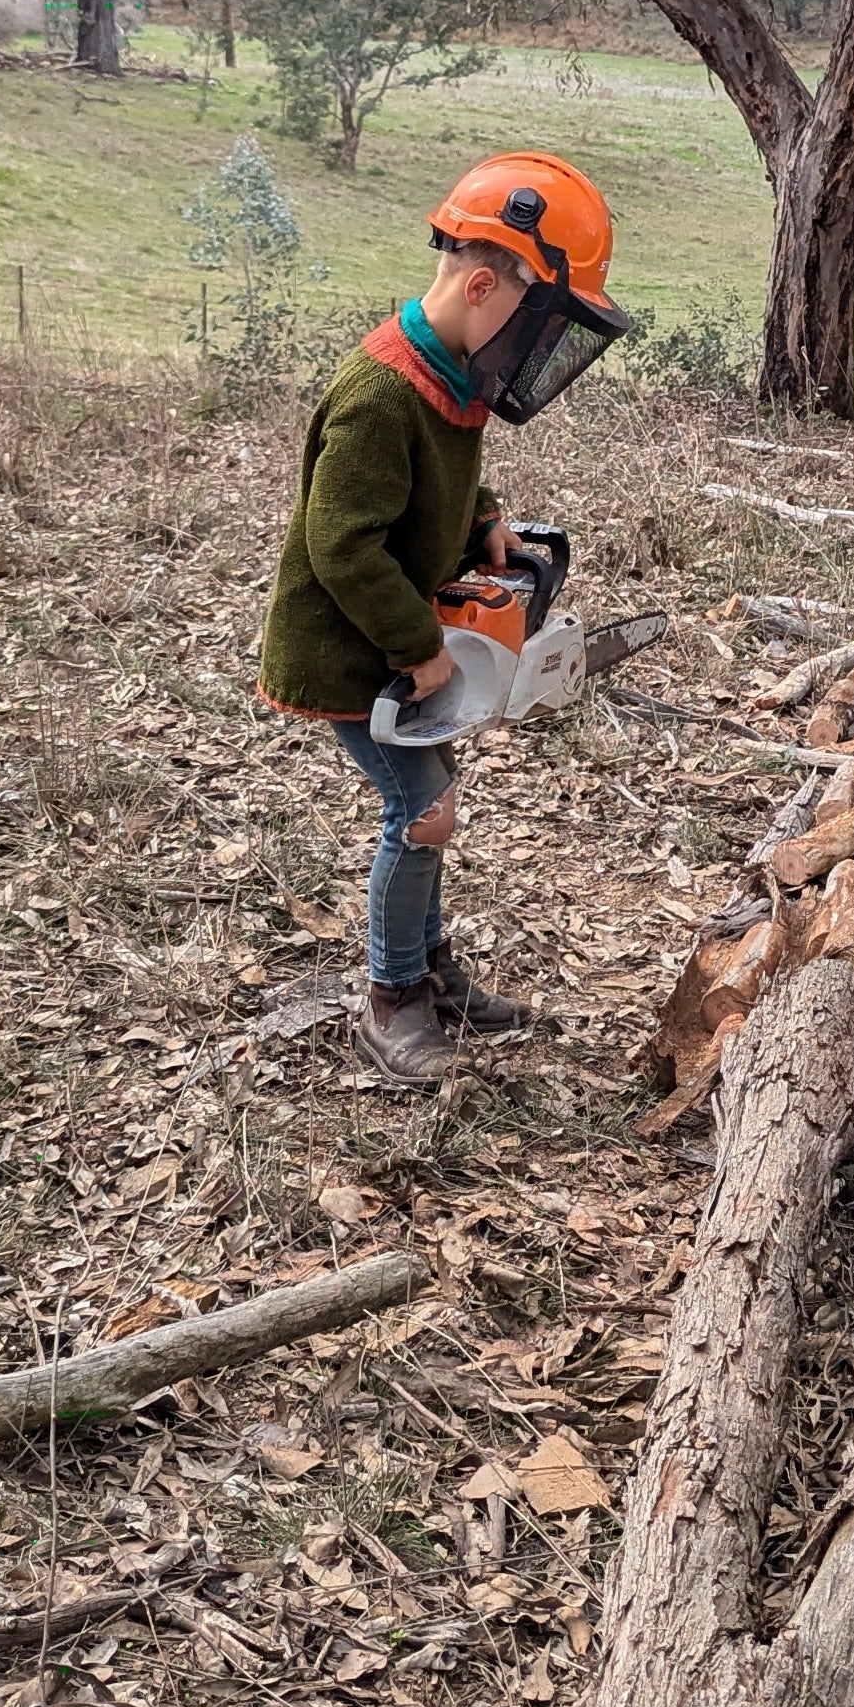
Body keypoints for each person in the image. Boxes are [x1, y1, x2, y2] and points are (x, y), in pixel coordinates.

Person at [258, 155, 636, 1087]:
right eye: (539, 321)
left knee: (430, 802)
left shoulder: (446, 373)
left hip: (390, 644)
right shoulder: (382, 392)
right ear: (482, 286)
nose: (534, 349)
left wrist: (483, 522)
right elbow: (343, 544)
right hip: (352, 651)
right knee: (421, 809)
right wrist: (421, 649)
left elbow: (447, 469)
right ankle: (392, 1002)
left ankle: (431, 971)